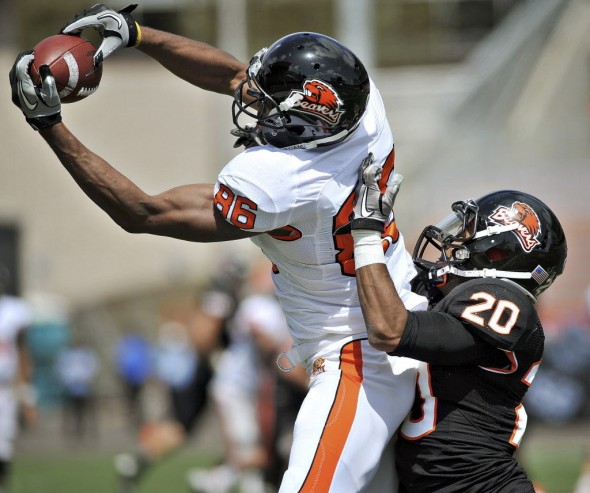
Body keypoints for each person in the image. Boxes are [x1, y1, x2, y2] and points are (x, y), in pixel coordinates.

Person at [9, 5, 428, 491]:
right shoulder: (362, 113)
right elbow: (236, 77)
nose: (255, 106)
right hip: (404, 315)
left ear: (307, 125)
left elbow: (144, 213)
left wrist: (49, 125)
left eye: (272, 109)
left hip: (357, 356)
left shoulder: (286, 184)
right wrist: (136, 34)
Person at [343, 154, 568, 491]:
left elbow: (390, 329)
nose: (455, 242)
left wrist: (366, 234)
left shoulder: (506, 302)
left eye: (470, 234)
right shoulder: (464, 295)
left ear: (499, 252)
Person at [114, 259, 245, 492]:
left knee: (181, 428)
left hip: (200, 373)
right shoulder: (220, 295)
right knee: (236, 428)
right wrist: (217, 358)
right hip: (209, 374)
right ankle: (223, 477)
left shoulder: (212, 294)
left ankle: (138, 462)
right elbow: (203, 334)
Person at [188, 259, 308, 493]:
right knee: (249, 445)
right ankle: (215, 481)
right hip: (236, 386)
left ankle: (220, 480)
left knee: (259, 447)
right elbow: (265, 341)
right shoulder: (257, 305)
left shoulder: (280, 309)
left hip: (254, 387)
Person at [0, 265, 37, 492]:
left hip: (4, 388)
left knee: (3, 441)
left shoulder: (15, 310)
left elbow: (23, 351)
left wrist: (26, 393)